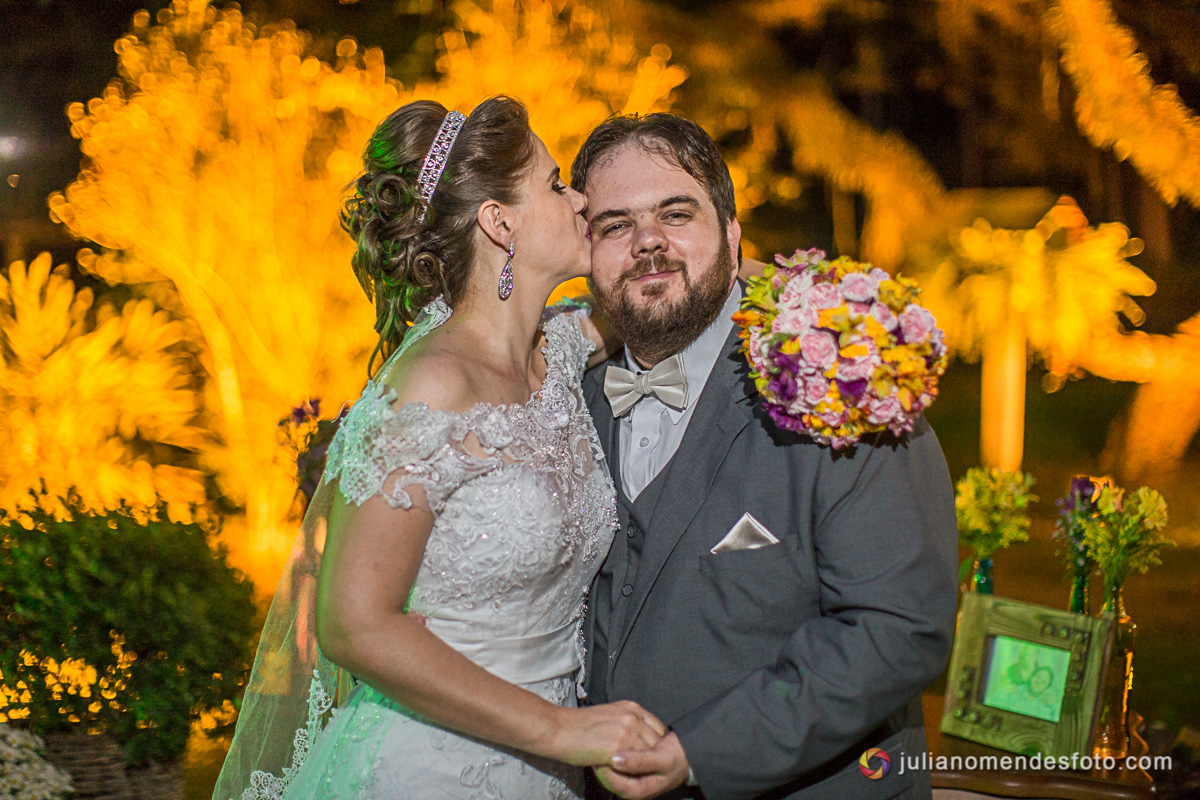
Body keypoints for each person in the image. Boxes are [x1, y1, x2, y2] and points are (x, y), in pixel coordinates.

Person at [212, 96, 666, 800]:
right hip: (430, 767)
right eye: (555, 184)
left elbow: (684, 285)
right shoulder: (430, 387)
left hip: (548, 774)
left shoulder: (561, 351)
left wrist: (812, 303)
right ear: (499, 221)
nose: (580, 200)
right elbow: (353, 626)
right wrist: (560, 729)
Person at [570, 113, 960, 800]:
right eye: (615, 225)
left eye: (675, 214)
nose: (648, 240)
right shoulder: (562, 393)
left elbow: (898, 627)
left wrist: (699, 753)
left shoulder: (837, 371)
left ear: (731, 234)